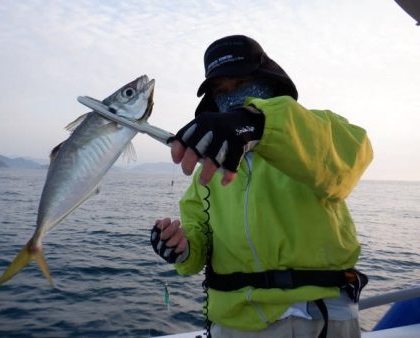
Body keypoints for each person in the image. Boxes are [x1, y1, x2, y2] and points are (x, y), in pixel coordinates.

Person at [150, 35, 373, 338]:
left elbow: (351, 158)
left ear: (268, 81)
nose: (231, 96)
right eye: (221, 91)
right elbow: (199, 238)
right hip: (234, 323)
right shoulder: (210, 171)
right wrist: (182, 248)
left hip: (317, 315)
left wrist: (257, 124)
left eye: (240, 84)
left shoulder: (315, 131)